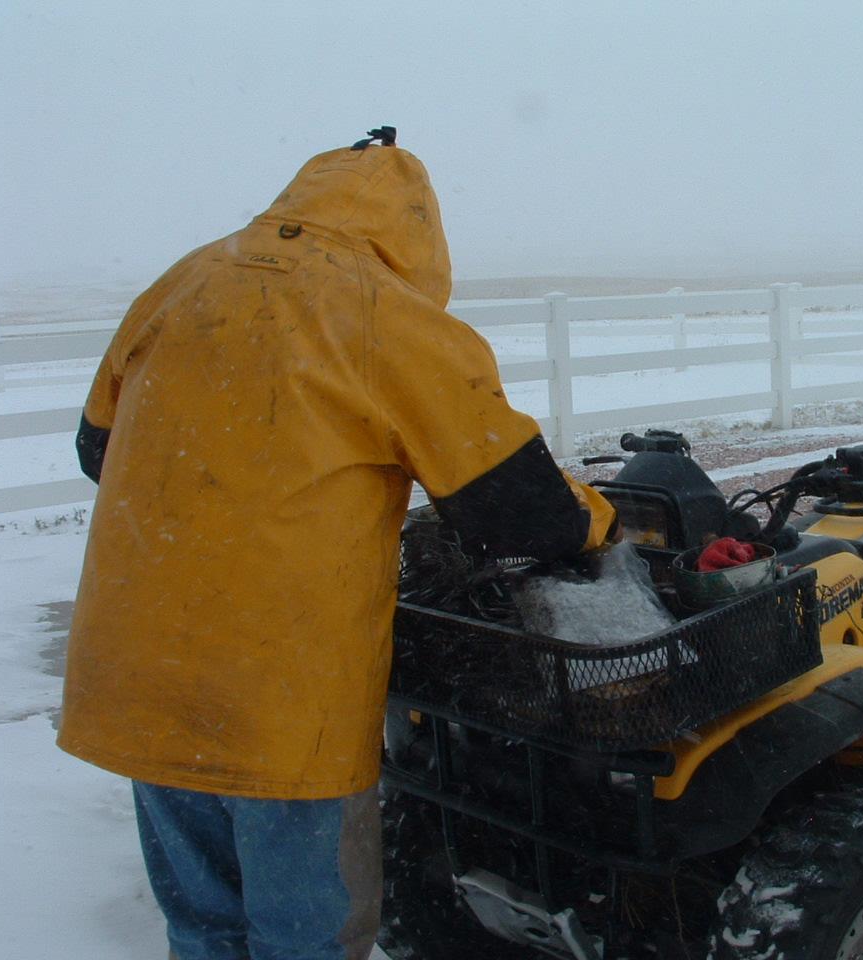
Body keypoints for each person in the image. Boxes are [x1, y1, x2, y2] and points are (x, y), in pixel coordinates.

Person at [57, 127, 616, 960]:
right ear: (417, 232)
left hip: (140, 673)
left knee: (203, 925)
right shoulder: (383, 316)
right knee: (303, 934)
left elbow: (97, 451)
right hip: (280, 695)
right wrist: (601, 522)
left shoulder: (183, 281)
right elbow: (521, 514)